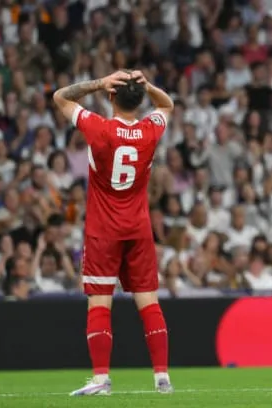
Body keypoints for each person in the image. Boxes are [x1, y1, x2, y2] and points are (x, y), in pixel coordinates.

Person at [52, 70, 174, 396]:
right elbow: (167, 105)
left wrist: (97, 82)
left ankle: (101, 379)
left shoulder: (99, 128)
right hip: (138, 228)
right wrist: (147, 85)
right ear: (139, 100)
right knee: (148, 302)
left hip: (103, 230)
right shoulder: (150, 130)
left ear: (110, 96)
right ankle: (162, 378)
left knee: (100, 304)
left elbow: (60, 96)